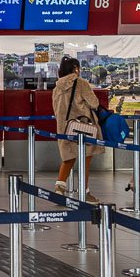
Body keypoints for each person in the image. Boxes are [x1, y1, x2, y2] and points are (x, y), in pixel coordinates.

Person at [52, 56, 100, 202]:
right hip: (83, 126)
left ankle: (59, 188)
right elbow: (94, 103)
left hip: (65, 126)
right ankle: (84, 192)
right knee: (85, 158)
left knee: (68, 158)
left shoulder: (57, 86)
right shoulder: (81, 83)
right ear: (75, 69)